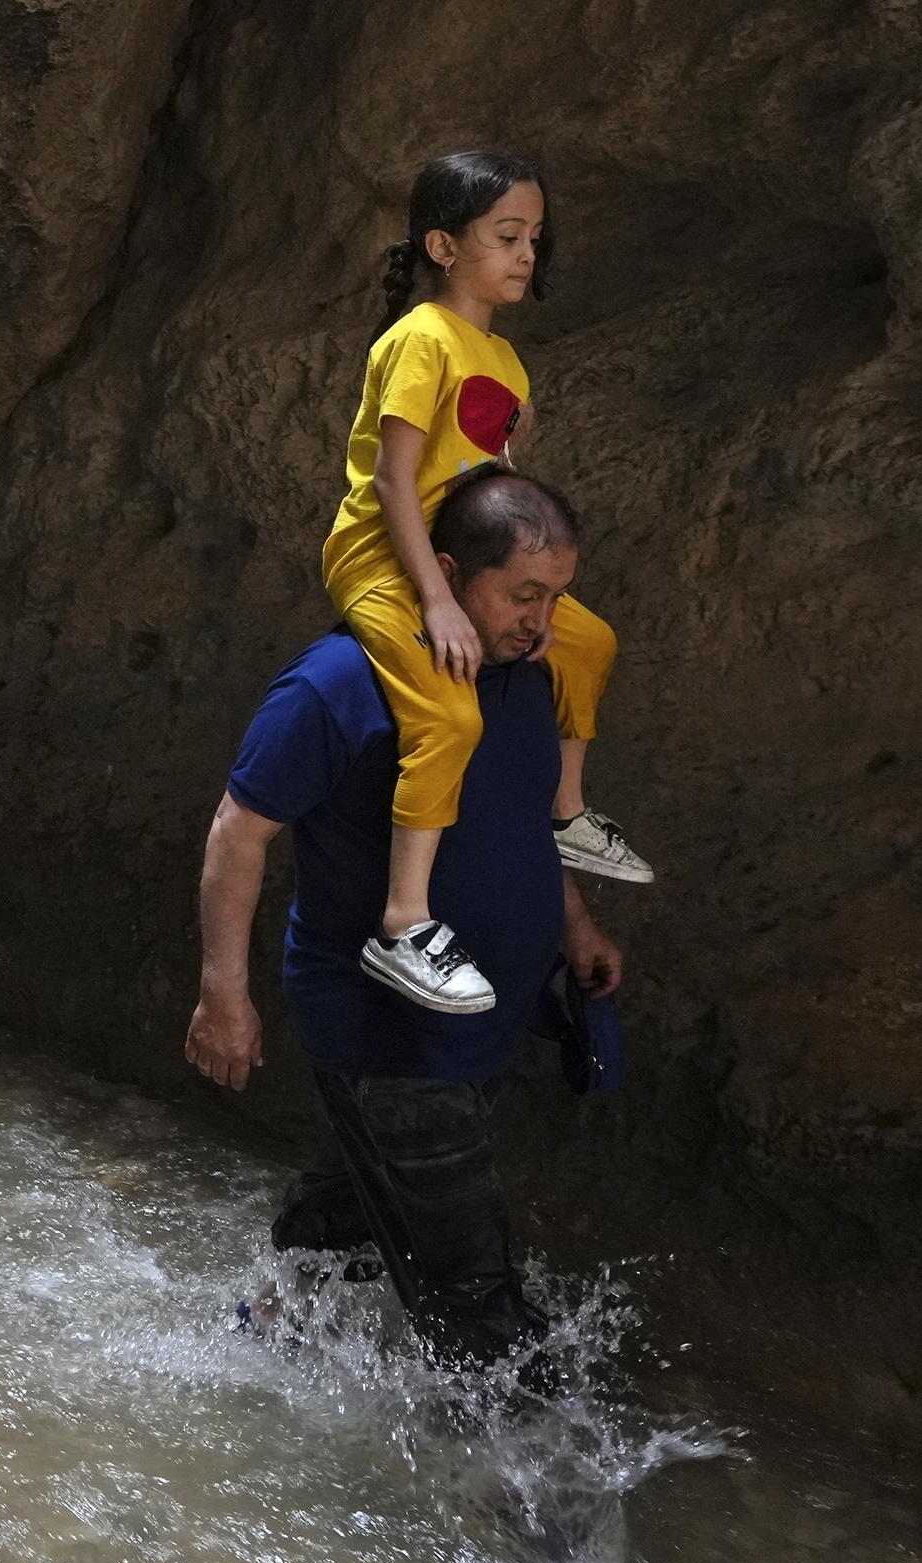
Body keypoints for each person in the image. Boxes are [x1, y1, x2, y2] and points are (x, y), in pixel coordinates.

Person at [192, 468, 628, 1377]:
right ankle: (537, 1484)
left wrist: (573, 923)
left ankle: (258, 1346)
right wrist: (222, 994)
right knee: (474, 1292)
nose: (542, 621)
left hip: (486, 1017)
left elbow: (523, 815)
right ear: (446, 570)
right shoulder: (340, 682)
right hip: (389, 1031)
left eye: (556, 596)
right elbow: (240, 830)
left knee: (356, 1197)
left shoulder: (520, 675)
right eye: (522, 594)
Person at [317, 151, 653, 1018]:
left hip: (461, 556)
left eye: (534, 239)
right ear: (443, 243)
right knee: (449, 711)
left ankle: (567, 810)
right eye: (507, 236)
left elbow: (488, 483)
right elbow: (396, 482)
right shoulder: (420, 337)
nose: (526, 255)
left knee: (587, 640)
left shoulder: (501, 357)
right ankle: (403, 925)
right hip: (385, 557)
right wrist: (435, 600)